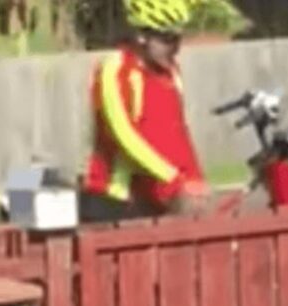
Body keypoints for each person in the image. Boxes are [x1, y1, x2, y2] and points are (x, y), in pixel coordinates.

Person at [81, 0, 211, 222]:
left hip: (157, 197)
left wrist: (195, 178)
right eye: (168, 39)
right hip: (114, 197)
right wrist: (174, 178)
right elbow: (123, 135)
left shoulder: (172, 73)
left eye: (179, 38)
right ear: (141, 36)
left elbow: (179, 132)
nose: (176, 48)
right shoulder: (115, 69)